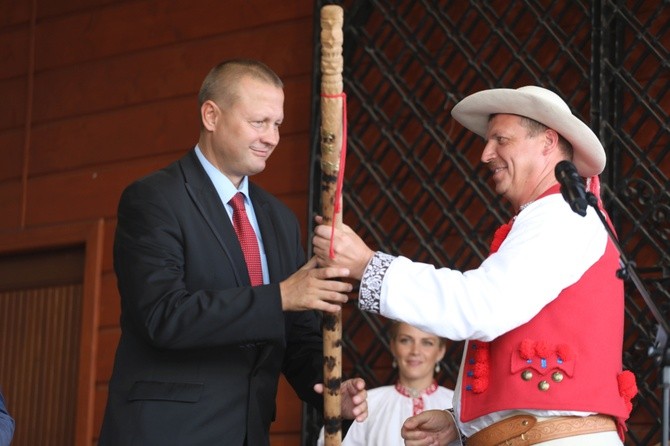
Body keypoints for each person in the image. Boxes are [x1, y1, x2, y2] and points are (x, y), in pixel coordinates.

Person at [313, 86, 637, 445]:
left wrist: (369, 265)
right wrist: (462, 424)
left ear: (547, 142)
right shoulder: (549, 216)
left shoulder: (562, 214)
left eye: (501, 139)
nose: (485, 154)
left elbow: (482, 306)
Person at [99, 59, 367, 446]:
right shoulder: (154, 198)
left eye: (277, 124)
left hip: (249, 433)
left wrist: (329, 392)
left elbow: (297, 335)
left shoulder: (279, 218)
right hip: (166, 432)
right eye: (259, 122)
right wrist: (281, 296)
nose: (272, 137)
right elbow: (162, 315)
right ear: (211, 115)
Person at [317, 321, 454, 446]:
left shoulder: (457, 406)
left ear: (441, 351)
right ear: (393, 346)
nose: (415, 351)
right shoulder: (365, 404)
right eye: (405, 340)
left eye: (427, 343)